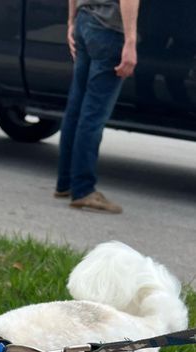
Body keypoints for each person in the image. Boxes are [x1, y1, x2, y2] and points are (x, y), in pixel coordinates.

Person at [55, 0, 140, 213]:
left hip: (84, 21)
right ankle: (83, 190)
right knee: (93, 114)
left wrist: (71, 21)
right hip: (109, 28)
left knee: (76, 109)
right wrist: (130, 41)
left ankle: (65, 182)